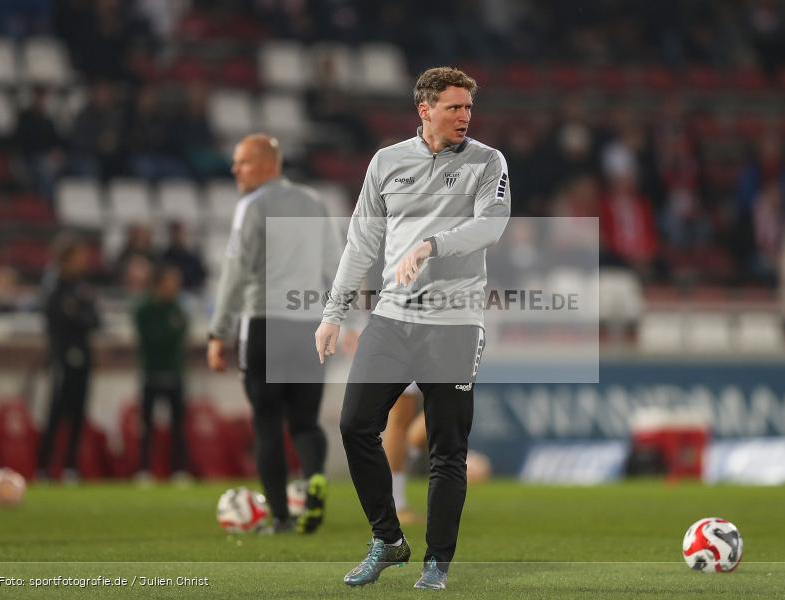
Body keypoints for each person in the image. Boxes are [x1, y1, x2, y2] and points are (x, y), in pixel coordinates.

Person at [315, 66, 511, 590]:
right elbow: (360, 244)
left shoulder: (487, 162)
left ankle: (436, 562)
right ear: (425, 109)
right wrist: (333, 314)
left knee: (447, 447)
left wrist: (432, 244)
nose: (465, 116)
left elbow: (491, 225)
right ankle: (388, 539)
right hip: (393, 317)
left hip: (453, 323)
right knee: (356, 424)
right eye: (454, 107)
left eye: (468, 107)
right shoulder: (386, 162)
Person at [208, 134, 339, 534]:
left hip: (264, 323)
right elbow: (337, 267)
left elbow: (235, 271)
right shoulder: (315, 204)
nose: (235, 170)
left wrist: (218, 331)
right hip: (309, 325)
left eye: (243, 162)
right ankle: (314, 475)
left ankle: (280, 517)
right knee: (305, 421)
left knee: (266, 421)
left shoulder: (252, 205)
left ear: (268, 164)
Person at [37, 234, 100, 483]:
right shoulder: (53, 287)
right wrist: (78, 316)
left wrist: (78, 315)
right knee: (55, 413)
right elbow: (60, 319)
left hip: (83, 356)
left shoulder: (81, 287)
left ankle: (70, 467)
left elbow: (93, 320)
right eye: (77, 257)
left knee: (77, 413)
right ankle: (44, 466)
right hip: (62, 356)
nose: (83, 261)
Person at [133, 263, 189, 483]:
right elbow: (155, 339)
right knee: (147, 425)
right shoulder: (145, 310)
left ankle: (179, 469)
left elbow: (177, 334)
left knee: (178, 425)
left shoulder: (177, 308)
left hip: (174, 373)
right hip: (152, 373)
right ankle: (144, 469)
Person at [382, 383, 426, 525]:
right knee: (400, 417)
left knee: (447, 405)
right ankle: (396, 505)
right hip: (406, 361)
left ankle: (403, 452)